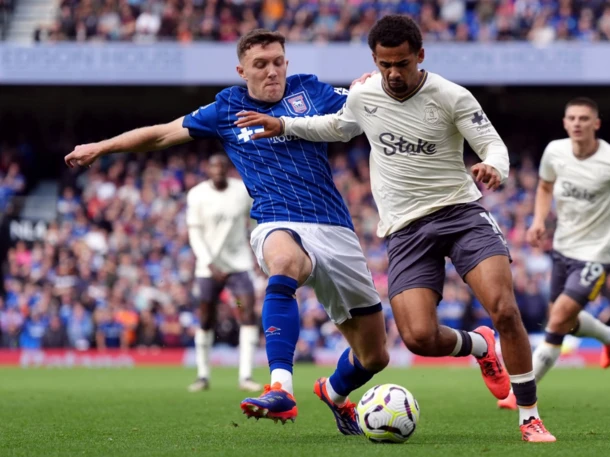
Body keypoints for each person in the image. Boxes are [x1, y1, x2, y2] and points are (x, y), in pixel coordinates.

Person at [235, 15, 555, 442]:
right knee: (419, 337)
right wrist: (285, 125)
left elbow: (492, 144)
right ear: (374, 60)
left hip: (461, 213)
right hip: (406, 230)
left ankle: (529, 416)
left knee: (505, 308)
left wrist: (494, 167)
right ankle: (481, 345)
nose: (393, 73)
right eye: (384, 64)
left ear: (419, 56)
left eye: (402, 63)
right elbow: (337, 126)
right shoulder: (365, 94)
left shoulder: (451, 95)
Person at [65, 29, 388, 435]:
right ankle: (280, 389)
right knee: (283, 262)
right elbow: (163, 133)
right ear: (242, 70)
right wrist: (102, 146)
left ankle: (334, 391)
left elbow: (368, 103)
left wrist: (369, 83)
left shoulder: (312, 91)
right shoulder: (227, 108)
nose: (272, 71)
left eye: (277, 62)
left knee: (374, 356)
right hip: (276, 219)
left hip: (334, 227)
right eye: (261, 65)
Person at [496, 98, 610, 410]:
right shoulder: (555, 152)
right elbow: (545, 187)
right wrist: (537, 220)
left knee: (559, 317)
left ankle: (520, 392)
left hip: (598, 254)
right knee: (565, 321)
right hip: (562, 249)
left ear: (596, 124)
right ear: (565, 123)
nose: (577, 123)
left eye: (584, 118)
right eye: (572, 118)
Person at [186, 153, 261, 393]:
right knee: (206, 318)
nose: (217, 169)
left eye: (221, 166)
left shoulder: (242, 191)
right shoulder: (197, 194)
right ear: (207, 169)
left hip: (238, 267)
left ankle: (246, 376)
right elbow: (194, 233)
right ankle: (203, 375)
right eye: (213, 166)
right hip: (209, 269)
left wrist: (259, 250)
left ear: (227, 169)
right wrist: (208, 262)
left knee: (245, 312)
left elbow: (255, 221)